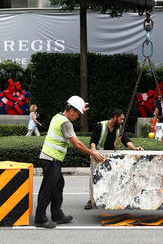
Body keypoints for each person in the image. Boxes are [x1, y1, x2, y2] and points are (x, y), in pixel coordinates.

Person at [34, 96, 105, 228]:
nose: (78, 116)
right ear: (71, 110)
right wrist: (92, 152)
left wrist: (81, 108)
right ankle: (40, 218)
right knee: (48, 188)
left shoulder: (57, 116)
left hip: (51, 158)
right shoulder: (66, 123)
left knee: (58, 185)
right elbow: (77, 143)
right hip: (51, 159)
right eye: (78, 113)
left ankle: (57, 214)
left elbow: (73, 114)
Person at [84, 108, 144, 210]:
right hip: (99, 156)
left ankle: (106, 198)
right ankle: (92, 200)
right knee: (94, 178)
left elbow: (126, 140)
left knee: (111, 178)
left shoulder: (119, 128)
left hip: (111, 158)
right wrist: (93, 151)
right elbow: (93, 140)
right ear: (115, 117)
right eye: (121, 119)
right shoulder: (101, 126)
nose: (122, 121)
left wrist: (135, 148)